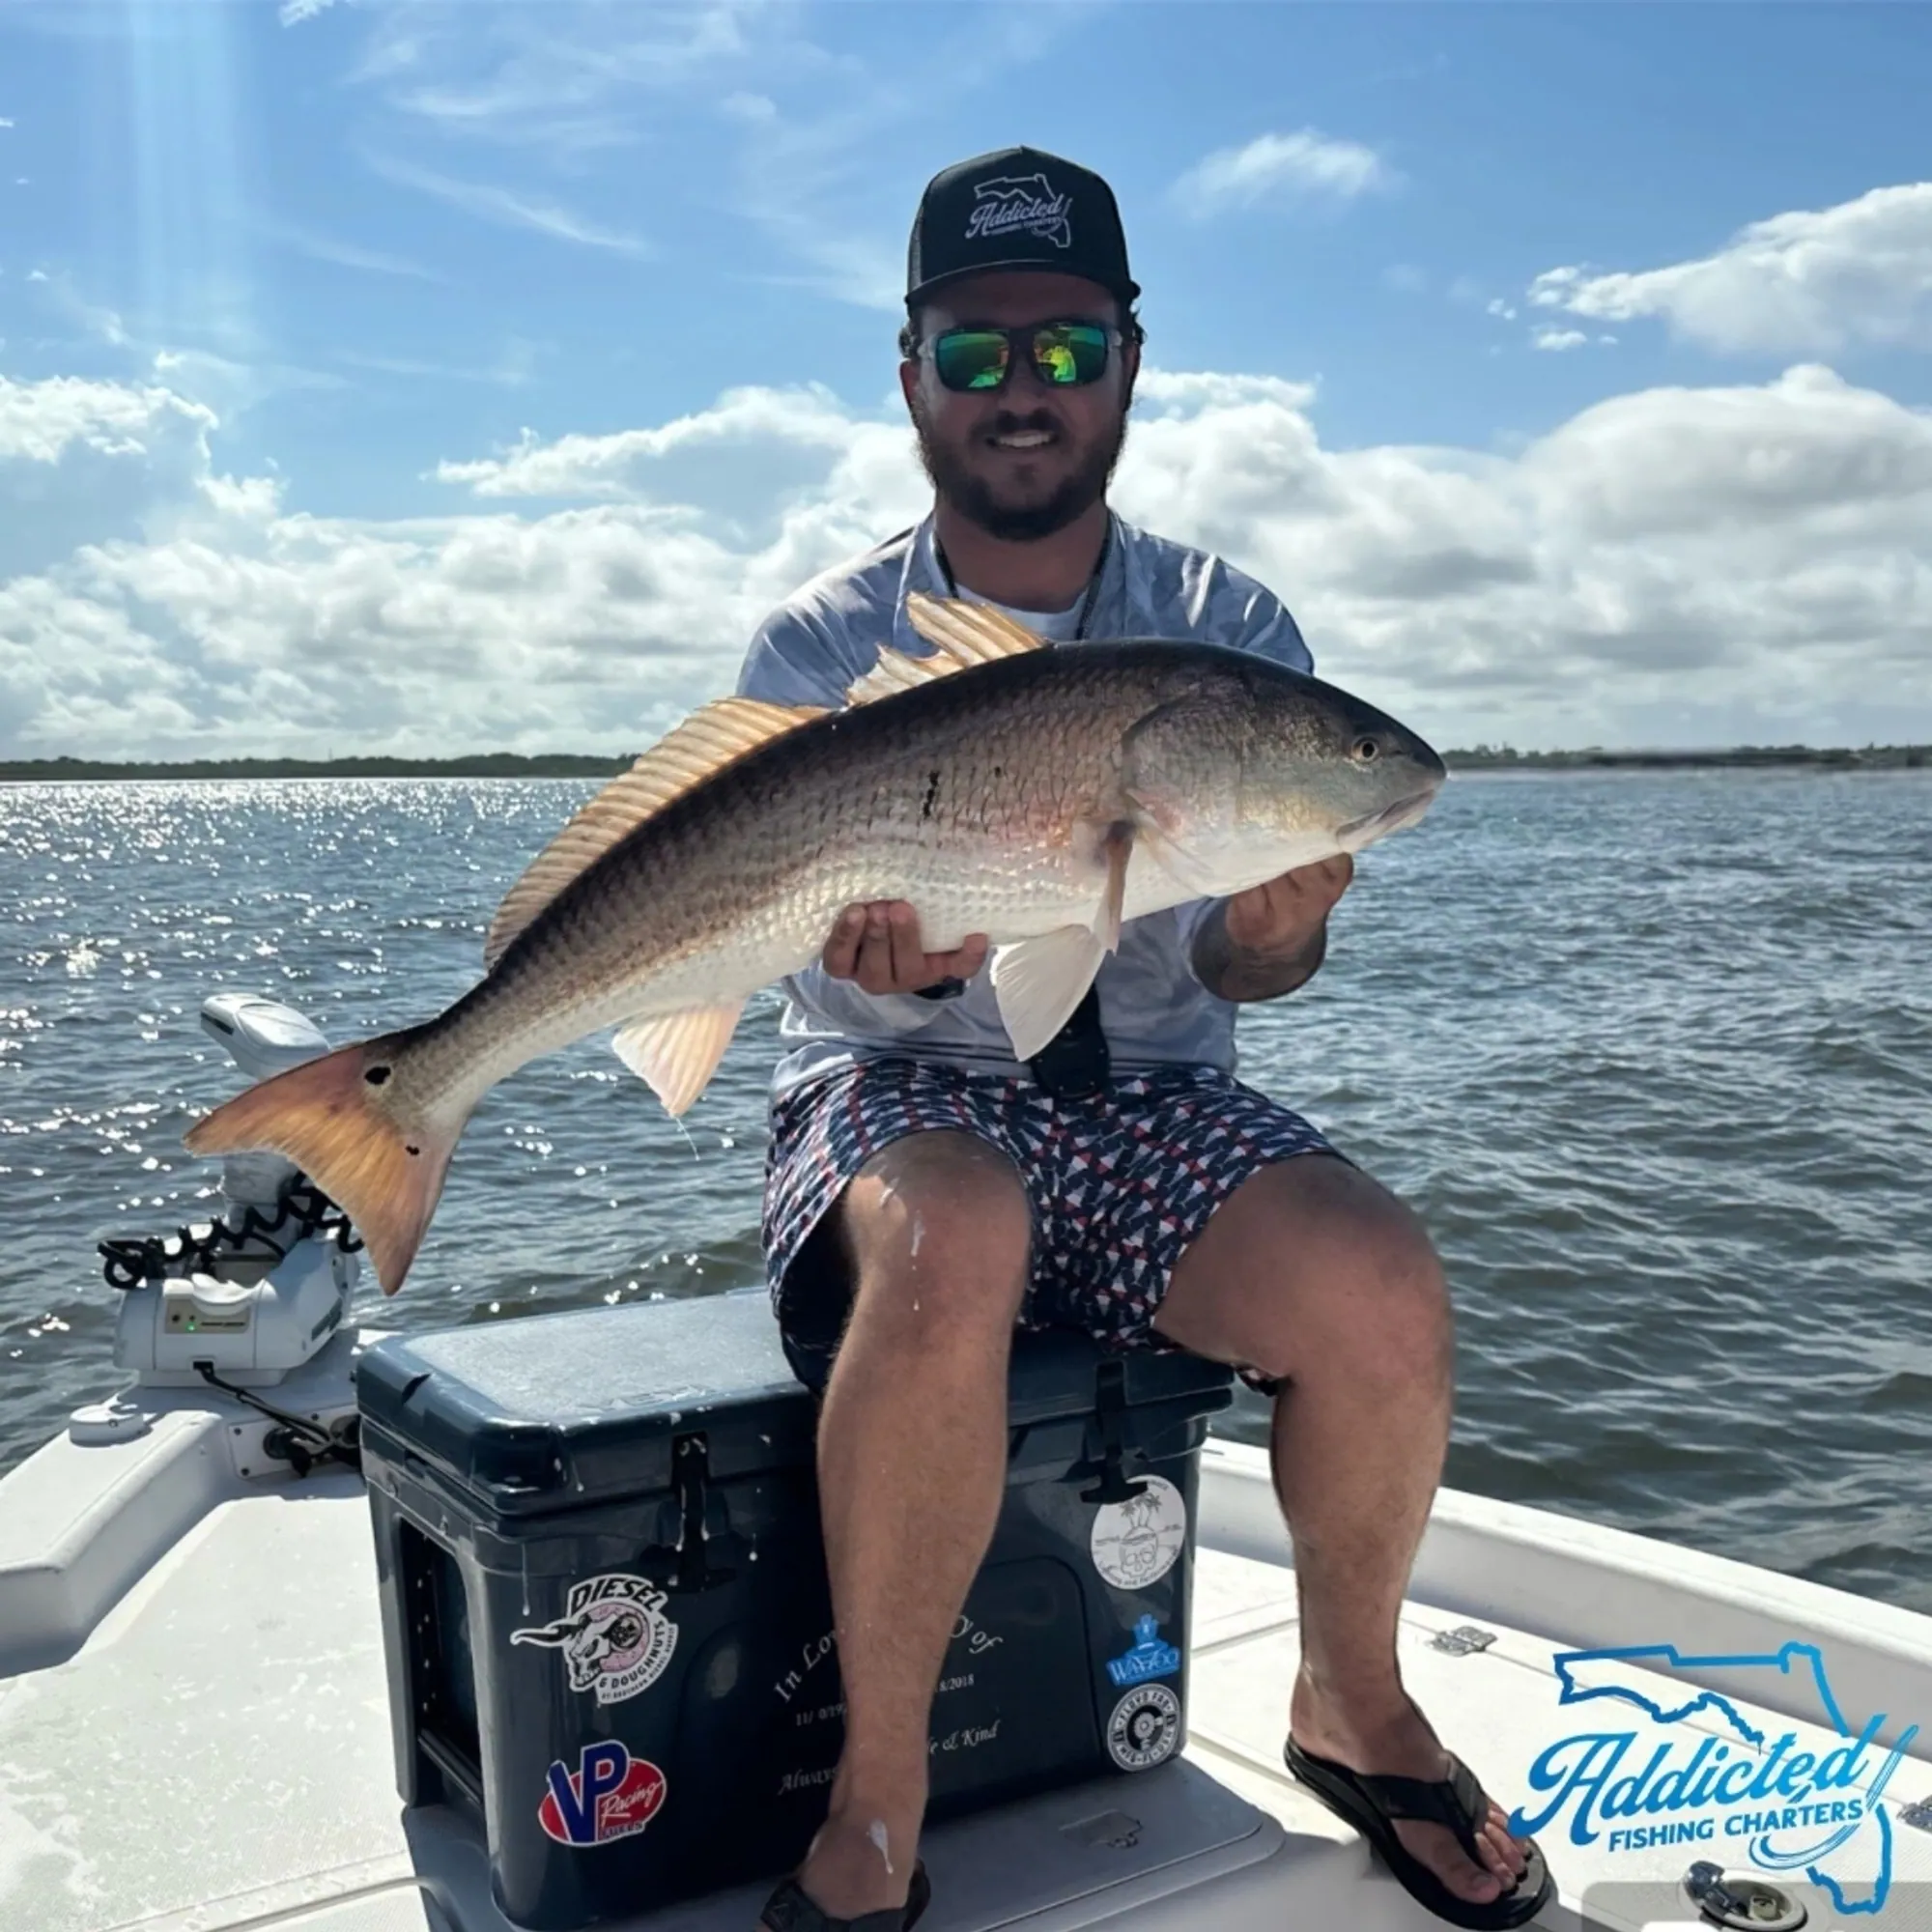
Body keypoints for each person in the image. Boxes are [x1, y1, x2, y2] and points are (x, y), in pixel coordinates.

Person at [737, 146, 1554, 1932]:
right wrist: (898, 971)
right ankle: (877, 1807)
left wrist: (1281, 926)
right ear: (911, 374)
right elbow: (807, 967)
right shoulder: (826, 641)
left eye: (1066, 346)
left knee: (1381, 1286)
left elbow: (1248, 978)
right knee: (955, 1235)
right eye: (976, 352)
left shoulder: (1232, 631)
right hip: (896, 1086)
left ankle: (1353, 1704)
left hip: (1160, 1105)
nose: (1022, 390)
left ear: (1130, 359)